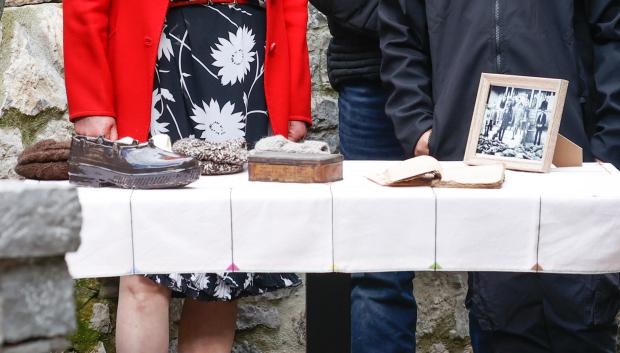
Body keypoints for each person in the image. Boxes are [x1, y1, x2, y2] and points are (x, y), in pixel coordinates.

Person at [64, 0, 311, 352]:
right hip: (156, 57)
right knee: (142, 264)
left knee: (223, 272)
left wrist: (295, 99)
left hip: (245, 55)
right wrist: (91, 99)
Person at [379, 1, 620, 352]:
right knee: (502, 317)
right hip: (476, 159)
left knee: (582, 310)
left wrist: (610, 140)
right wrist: (417, 124)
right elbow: (400, 30)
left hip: (571, 155)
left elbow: (612, 28)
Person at [309, 1, 416, 352]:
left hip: (464, 71)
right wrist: (396, 20)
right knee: (379, 265)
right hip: (373, 75)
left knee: (499, 249)